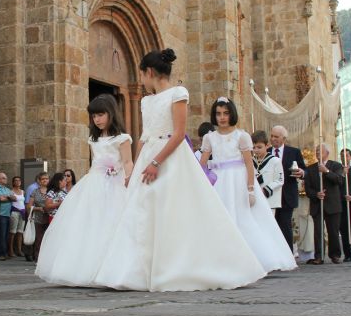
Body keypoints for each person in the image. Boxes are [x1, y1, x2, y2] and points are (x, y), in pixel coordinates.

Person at [94, 48, 266, 292]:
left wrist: (156, 162)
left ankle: (178, 266)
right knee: (142, 211)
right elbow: (144, 136)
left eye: (141, 75)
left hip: (170, 155)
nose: (141, 81)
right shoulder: (145, 100)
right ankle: (137, 270)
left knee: (174, 208)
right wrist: (134, 166)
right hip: (149, 153)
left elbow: (178, 134)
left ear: (149, 72)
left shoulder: (178, 94)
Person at [36, 94, 134, 286]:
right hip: (94, 183)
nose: (97, 120)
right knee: (90, 224)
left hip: (116, 183)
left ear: (111, 114)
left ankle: (112, 269)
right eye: (93, 116)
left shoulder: (122, 138)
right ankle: (84, 268)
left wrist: (129, 180)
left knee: (114, 223)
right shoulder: (93, 139)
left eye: (100, 115)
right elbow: (94, 163)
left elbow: (128, 161)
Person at [200, 99, 295, 273]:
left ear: (232, 114)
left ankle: (255, 258)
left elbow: (249, 164)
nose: (222, 117)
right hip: (219, 181)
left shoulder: (241, 136)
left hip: (237, 180)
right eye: (218, 113)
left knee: (243, 219)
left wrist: (250, 189)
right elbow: (202, 163)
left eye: (226, 113)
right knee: (221, 219)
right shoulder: (209, 137)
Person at [304, 143, 344, 265]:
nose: (317, 153)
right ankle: (319, 256)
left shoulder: (336, 165)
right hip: (317, 204)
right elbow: (308, 188)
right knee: (318, 232)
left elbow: (339, 180)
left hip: (332, 204)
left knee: (333, 231)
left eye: (319, 151)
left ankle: (335, 255)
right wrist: (316, 194)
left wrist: (326, 171)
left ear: (327, 153)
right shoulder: (310, 169)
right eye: (316, 151)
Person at [268, 125, 306, 252]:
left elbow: (304, 169)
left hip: (287, 196)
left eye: (276, 137)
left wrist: (301, 172)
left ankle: (288, 255)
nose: (273, 139)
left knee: (285, 225)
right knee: (272, 226)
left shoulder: (294, 152)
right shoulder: (266, 152)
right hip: (271, 195)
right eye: (272, 136)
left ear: (283, 138)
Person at [251, 130, 284, 213]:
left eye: (259, 147)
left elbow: (279, 180)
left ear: (267, 146)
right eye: (254, 147)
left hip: (269, 200)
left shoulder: (275, 161)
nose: (256, 150)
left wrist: (265, 190)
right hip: (254, 199)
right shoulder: (250, 161)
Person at [0, 172, 16, 260]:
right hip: (0, 214)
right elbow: (1, 199)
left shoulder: (7, 189)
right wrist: (9, 197)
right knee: (0, 235)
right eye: (4, 178)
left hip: (7, 214)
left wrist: (7, 197)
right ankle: (0, 254)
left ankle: (4, 253)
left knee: (5, 235)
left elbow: (15, 198)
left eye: (5, 178)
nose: (6, 179)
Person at [26, 171, 50, 262]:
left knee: (49, 239)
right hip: (39, 218)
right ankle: (38, 259)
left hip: (50, 217)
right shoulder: (35, 192)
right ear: (39, 181)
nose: (45, 180)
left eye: (46, 179)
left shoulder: (51, 190)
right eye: (43, 179)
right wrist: (38, 208)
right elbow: (29, 206)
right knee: (38, 239)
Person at [8, 176, 27, 257]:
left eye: (19, 180)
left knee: (20, 232)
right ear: (13, 182)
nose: (18, 182)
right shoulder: (10, 191)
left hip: (22, 212)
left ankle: (19, 250)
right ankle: (10, 250)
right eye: (15, 180)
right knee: (12, 232)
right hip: (14, 212)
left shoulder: (23, 191)